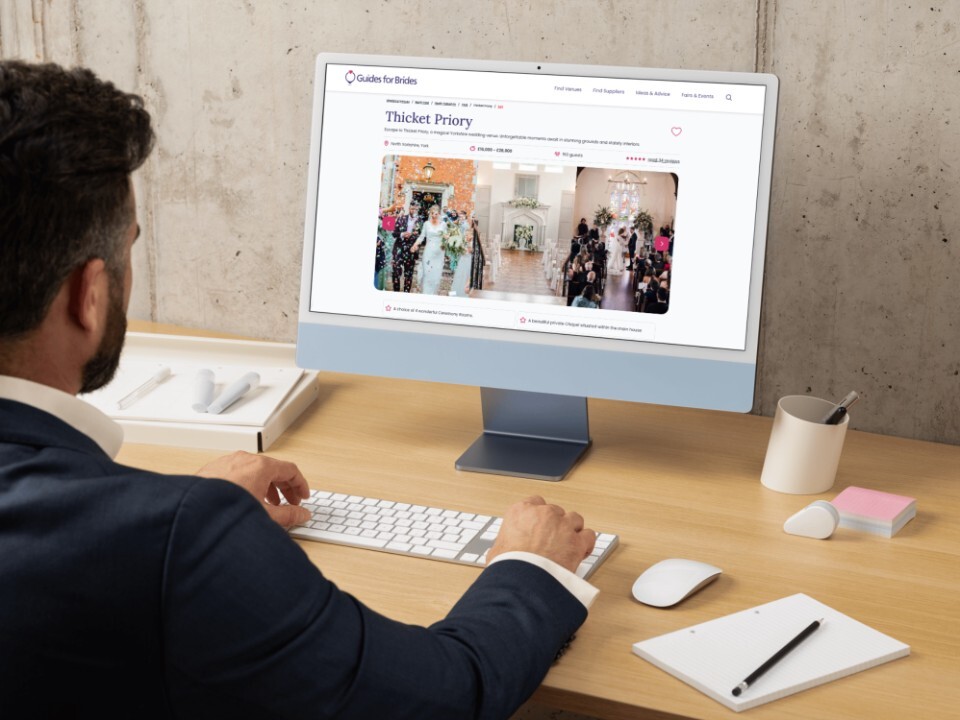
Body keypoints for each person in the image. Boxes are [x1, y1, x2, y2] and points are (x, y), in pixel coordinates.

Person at [0, 61, 598, 719]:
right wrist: (529, 570)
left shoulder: (155, 534)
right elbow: (441, 697)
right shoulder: (184, 538)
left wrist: (170, 519)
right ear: (90, 295)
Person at [411, 204, 447, 294]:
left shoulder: (443, 225)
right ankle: (425, 293)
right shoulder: (426, 224)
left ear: (439, 214)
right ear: (430, 214)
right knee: (427, 273)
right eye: (432, 213)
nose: (434, 215)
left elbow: (446, 238)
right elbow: (421, 237)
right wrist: (415, 245)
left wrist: (447, 240)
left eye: (436, 214)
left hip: (439, 252)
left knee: (436, 275)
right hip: (429, 252)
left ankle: (433, 294)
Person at [391, 201, 422, 292]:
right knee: (396, 271)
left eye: (416, 209)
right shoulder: (401, 218)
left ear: (418, 209)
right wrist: (402, 234)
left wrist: (413, 237)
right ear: (409, 209)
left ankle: (406, 292)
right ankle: (396, 291)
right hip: (399, 248)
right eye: (412, 208)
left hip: (411, 249)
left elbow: (422, 237)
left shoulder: (420, 221)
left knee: (408, 274)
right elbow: (394, 233)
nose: (414, 210)